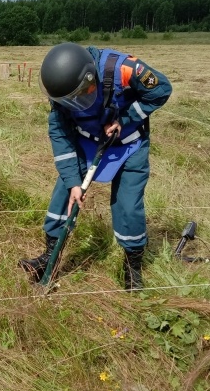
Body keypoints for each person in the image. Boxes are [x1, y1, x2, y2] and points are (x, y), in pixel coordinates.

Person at [18, 42, 172, 290]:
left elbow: (161, 90)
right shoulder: (61, 91)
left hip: (129, 145)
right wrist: (73, 183)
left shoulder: (125, 69)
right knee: (64, 196)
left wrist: (125, 120)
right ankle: (50, 258)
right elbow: (61, 135)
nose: (75, 103)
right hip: (87, 143)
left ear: (92, 78)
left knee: (128, 206)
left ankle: (132, 268)